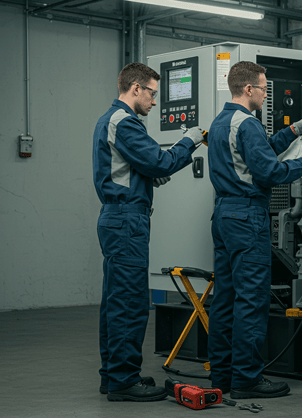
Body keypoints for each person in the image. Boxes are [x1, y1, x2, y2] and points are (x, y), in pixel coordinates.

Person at [93, 62, 205, 402]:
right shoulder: (125, 122)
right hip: (127, 219)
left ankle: (112, 375)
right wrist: (190, 140)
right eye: (153, 94)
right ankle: (124, 381)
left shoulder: (110, 120)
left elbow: (137, 165)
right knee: (130, 303)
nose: (155, 102)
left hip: (119, 218)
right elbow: (160, 161)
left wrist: (146, 174)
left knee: (116, 301)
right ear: (135, 88)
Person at [206, 61, 302, 398]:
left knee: (225, 299)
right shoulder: (249, 124)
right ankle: (247, 380)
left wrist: (295, 130)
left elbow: (256, 153)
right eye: (264, 88)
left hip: (224, 215)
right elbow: (267, 172)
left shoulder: (221, 122)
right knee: (251, 300)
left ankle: (222, 376)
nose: (266, 93)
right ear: (248, 89)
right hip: (247, 216)